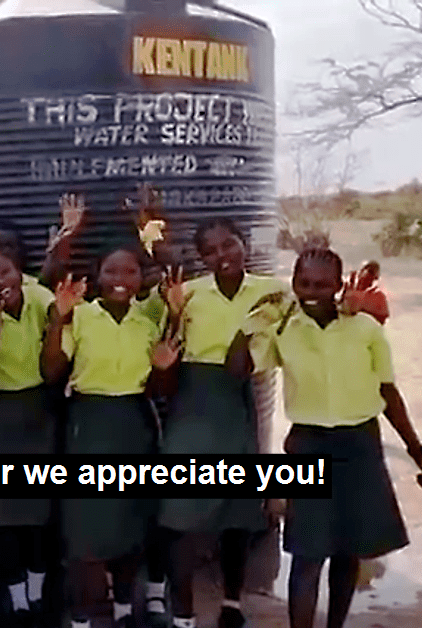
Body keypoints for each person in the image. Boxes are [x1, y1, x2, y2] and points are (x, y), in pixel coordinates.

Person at [231, 247, 422, 628]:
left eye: (321, 284)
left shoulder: (366, 330)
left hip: (360, 446)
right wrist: (254, 322)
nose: (311, 292)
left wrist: (419, 455)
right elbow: (237, 369)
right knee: (307, 555)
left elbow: (389, 395)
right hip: (308, 446)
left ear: (338, 285)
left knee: (348, 551)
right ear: (293, 283)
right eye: (303, 283)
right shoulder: (284, 329)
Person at [41, 240, 181, 628]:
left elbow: (160, 388)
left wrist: (163, 367)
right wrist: (58, 320)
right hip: (88, 425)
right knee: (85, 529)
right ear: (98, 276)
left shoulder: (148, 322)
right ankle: (82, 617)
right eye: (112, 271)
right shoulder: (80, 316)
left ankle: (123, 610)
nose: (121, 279)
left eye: (130, 271)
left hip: (134, 425)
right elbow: (51, 372)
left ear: (141, 278)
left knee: (130, 522)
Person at [158, 218, 289, 628]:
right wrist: (174, 312)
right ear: (201, 258)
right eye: (211, 251)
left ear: (243, 243)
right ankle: (182, 611)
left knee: (237, 510)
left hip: (237, 397)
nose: (222, 256)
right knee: (180, 510)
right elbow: (167, 348)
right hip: (193, 401)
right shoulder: (189, 294)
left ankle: (232, 602)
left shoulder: (272, 291)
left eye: (228, 245)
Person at [0, 250, 59, 627]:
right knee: (4, 516)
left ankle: (38, 593)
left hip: (38, 411)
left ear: (19, 271)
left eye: (6, 272)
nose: (1, 283)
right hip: (0, 415)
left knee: (38, 514)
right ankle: (17, 599)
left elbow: (59, 333)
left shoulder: (40, 298)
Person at [341, 260, 389, 325]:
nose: (369, 277)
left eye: (373, 276)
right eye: (369, 272)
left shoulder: (378, 296)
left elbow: (383, 319)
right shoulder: (347, 286)